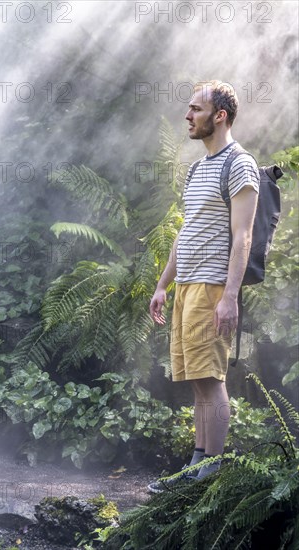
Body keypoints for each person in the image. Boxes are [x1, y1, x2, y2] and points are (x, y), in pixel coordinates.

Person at [148, 80, 260, 492]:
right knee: (197, 380)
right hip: (187, 286)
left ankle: (209, 473)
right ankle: (195, 469)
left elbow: (243, 235)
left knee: (211, 380)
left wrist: (230, 296)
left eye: (195, 109)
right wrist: (163, 284)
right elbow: (187, 230)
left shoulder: (240, 164)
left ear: (220, 116)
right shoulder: (197, 168)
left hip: (213, 287)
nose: (187, 115)